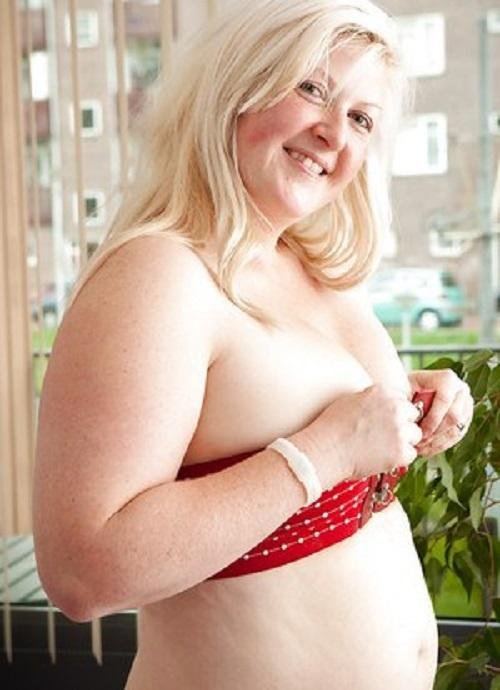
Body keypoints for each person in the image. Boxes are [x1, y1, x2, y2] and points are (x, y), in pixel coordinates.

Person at [33, 1, 474, 688]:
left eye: (361, 118)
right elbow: (82, 572)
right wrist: (327, 450)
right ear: (236, 89)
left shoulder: (310, 268)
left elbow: (313, 426)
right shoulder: (159, 273)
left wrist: (419, 406)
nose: (334, 133)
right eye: (312, 88)